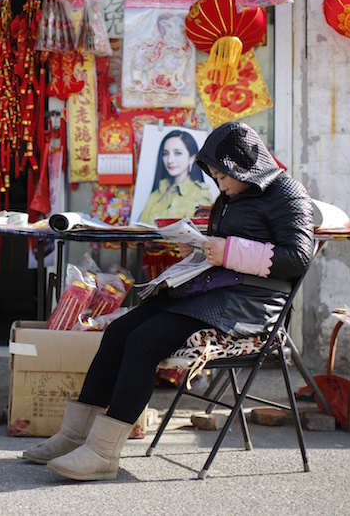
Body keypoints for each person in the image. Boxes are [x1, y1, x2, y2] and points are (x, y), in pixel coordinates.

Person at [23, 122, 314, 481]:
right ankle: (73, 436)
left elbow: (298, 256)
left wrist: (228, 251)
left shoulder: (287, 192)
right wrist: (200, 246)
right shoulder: (232, 196)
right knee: (120, 331)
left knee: (145, 341)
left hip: (251, 303)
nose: (220, 184)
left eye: (224, 176)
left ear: (245, 167)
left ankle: (103, 452)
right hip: (215, 289)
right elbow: (226, 248)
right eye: (215, 176)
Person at [138, 129, 214, 225]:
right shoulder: (157, 192)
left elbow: (201, 234)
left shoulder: (201, 194)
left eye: (177, 153)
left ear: (192, 158)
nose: (170, 160)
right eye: (165, 153)